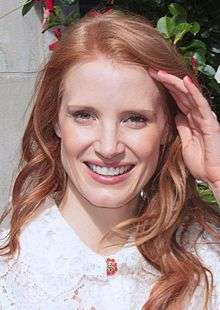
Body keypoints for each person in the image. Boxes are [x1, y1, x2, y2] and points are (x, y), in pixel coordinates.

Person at [0, 9, 220, 310]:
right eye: (84, 115)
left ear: (168, 129)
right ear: (55, 121)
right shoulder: (9, 273)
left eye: (134, 119)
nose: (108, 146)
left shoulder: (208, 258)